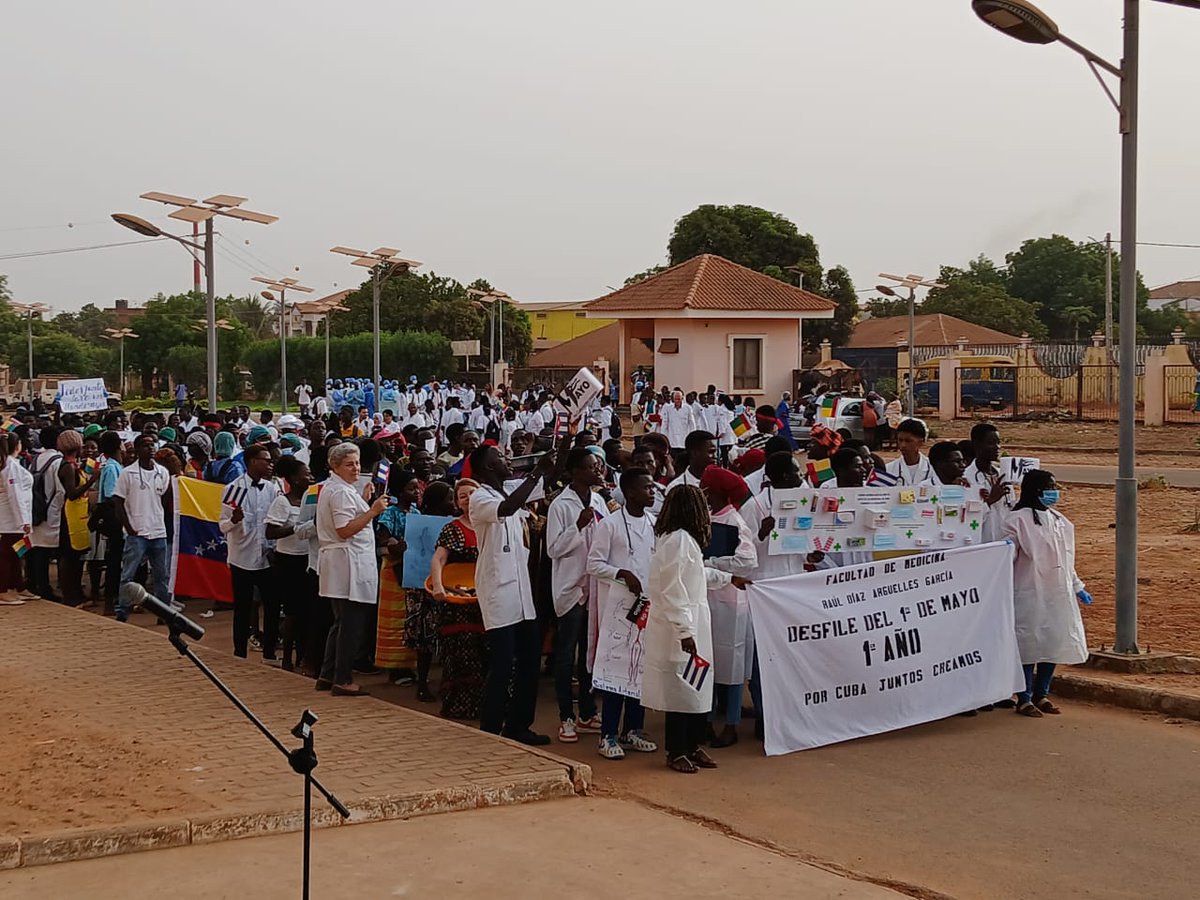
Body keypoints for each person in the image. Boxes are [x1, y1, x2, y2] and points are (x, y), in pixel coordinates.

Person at [643, 484, 749, 774]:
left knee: (696, 686)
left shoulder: (683, 541)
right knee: (682, 689)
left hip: (692, 621)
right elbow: (673, 589)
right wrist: (684, 631)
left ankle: (691, 744)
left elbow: (696, 574)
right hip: (681, 625)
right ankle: (676, 750)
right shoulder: (678, 541)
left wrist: (728, 579)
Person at [469, 445, 557, 744]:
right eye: (500, 459)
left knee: (530, 661)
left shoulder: (509, 490)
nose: (507, 461)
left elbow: (550, 476)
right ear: (487, 469)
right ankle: (491, 728)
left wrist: (566, 440)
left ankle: (519, 725)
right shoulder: (480, 498)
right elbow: (507, 510)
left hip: (521, 592)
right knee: (503, 664)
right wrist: (536, 472)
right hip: (497, 591)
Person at [585, 467, 659, 759]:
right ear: (629, 493)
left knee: (640, 670)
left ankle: (633, 730)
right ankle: (608, 735)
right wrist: (621, 573)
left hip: (646, 609)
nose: (652, 492)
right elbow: (594, 564)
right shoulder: (611, 525)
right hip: (617, 610)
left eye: (653, 487)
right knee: (616, 671)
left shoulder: (654, 524)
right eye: (647, 488)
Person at [1004, 470, 1090, 717]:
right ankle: (1024, 697)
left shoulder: (1060, 521)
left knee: (1053, 641)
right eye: (1050, 487)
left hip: (1057, 592)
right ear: (1036, 490)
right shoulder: (1016, 520)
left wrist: (1077, 586)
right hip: (1028, 590)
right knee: (1028, 643)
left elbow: (1066, 559)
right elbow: (1006, 557)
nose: (1055, 491)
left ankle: (1043, 693)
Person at [316, 441, 389, 696]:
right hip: (347, 563)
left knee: (341, 622)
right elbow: (345, 529)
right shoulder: (339, 492)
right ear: (335, 466)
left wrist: (364, 501)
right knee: (350, 624)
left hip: (344, 562)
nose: (356, 468)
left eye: (357, 463)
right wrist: (372, 511)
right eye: (349, 464)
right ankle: (342, 678)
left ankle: (328, 674)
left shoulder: (340, 489)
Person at [546, 447, 609, 743]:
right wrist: (577, 527)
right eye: (591, 466)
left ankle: (586, 712)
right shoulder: (561, 505)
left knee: (589, 654)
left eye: (598, 465)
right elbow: (553, 549)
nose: (598, 470)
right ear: (574, 472)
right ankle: (565, 716)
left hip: (594, 586)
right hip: (571, 588)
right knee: (565, 655)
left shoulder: (599, 501)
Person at [699, 466, 758, 748]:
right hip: (705, 598)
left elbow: (747, 562)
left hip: (731, 602)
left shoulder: (735, 522)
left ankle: (732, 724)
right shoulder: (703, 518)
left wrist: (711, 564)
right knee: (706, 662)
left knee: (731, 665)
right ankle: (706, 721)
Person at [429, 479, 488, 720]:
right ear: (457, 503)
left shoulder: (491, 525)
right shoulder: (453, 528)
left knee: (487, 652)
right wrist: (439, 587)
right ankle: (461, 706)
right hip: (459, 602)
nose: (468, 498)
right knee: (463, 653)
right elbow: (438, 559)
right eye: (463, 496)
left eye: (473, 493)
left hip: (486, 598)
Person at [219, 444, 281, 661]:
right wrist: (234, 521)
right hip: (242, 558)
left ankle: (269, 653)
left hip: (266, 557)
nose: (270, 463)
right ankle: (239, 653)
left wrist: (273, 549)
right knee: (243, 608)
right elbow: (222, 525)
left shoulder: (272, 489)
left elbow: (274, 521)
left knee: (272, 607)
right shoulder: (233, 489)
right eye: (266, 460)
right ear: (253, 462)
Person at [265, 456, 318, 673]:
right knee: (292, 613)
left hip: (307, 560)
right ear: (295, 479)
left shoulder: (309, 500)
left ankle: (302, 657)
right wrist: (296, 528)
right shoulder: (282, 502)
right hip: (288, 562)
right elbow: (270, 531)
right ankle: (287, 657)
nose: (311, 478)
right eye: (306, 474)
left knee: (307, 612)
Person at [113, 433, 173, 622]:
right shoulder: (127, 473)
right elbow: (118, 502)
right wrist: (129, 527)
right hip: (137, 531)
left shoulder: (162, 472)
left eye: (152, 444)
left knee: (161, 576)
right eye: (146, 445)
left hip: (158, 531)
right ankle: (122, 610)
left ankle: (163, 613)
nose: (151, 448)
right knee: (128, 574)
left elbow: (163, 498)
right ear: (137, 450)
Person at [55, 429, 100, 607]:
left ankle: (75, 593)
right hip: (70, 515)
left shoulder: (72, 465)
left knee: (75, 556)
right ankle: (70, 595)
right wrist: (91, 480)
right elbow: (72, 493)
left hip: (77, 515)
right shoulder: (67, 467)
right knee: (69, 555)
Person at [964, 423, 1012, 542]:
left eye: (998, 442)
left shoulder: (1004, 475)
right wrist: (990, 501)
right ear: (976, 445)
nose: (997, 447)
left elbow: (1011, 507)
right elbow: (965, 517)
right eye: (990, 443)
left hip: (1005, 542)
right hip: (981, 542)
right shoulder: (966, 478)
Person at [0, 433, 34, 603]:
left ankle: (18, 586)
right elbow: (16, 496)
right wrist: (24, 521)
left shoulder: (11, 464)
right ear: (17, 445)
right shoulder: (9, 467)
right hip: (10, 519)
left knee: (15, 554)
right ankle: (3, 589)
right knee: (7, 554)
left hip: (14, 517)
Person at [885, 419, 931, 485]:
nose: (903, 445)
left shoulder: (932, 469)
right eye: (900, 440)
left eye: (908, 441)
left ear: (921, 442)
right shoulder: (888, 469)